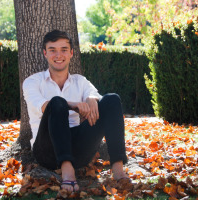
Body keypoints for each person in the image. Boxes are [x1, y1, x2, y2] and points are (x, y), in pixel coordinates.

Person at [23, 30, 129, 192]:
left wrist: (91, 99)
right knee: (56, 103)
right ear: (45, 53)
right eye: (52, 50)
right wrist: (74, 105)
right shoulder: (32, 82)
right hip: (47, 149)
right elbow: (43, 106)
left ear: (71, 53)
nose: (59, 55)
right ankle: (67, 172)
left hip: (79, 149)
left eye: (64, 49)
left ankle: (118, 169)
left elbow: (97, 96)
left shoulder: (80, 81)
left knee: (112, 99)